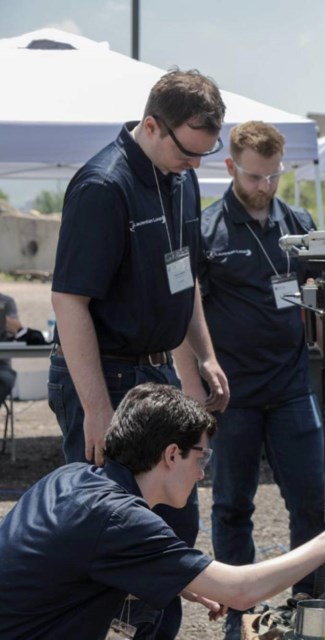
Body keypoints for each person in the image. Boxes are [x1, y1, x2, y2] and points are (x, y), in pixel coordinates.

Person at [48, 69, 231, 639]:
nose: (196, 165)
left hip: (153, 373)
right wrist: (99, 412)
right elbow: (69, 301)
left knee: (176, 523)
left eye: (205, 154)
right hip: (103, 375)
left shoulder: (180, 178)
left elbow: (184, 278)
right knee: (116, 534)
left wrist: (202, 354)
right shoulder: (104, 185)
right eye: (188, 151)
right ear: (152, 125)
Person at [0, 383, 325, 640]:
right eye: (201, 456)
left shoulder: (72, 479)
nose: (202, 472)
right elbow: (242, 591)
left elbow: (64, 567)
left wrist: (179, 579)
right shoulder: (119, 517)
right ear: (170, 454)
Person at [174, 121, 325, 639]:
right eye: (256, 176)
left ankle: (312, 609)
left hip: (289, 389)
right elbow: (182, 310)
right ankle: (240, 615)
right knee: (233, 504)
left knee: (310, 500)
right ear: (231, 167)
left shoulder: (298, 224)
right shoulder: (205, 229)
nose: (265, 187)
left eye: (274, 176)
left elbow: (318, 301)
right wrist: (194, 385)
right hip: (229, 396)